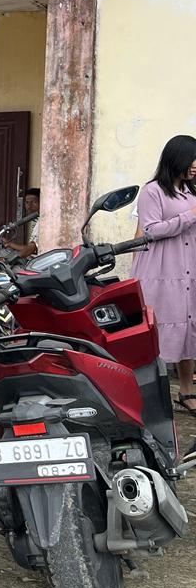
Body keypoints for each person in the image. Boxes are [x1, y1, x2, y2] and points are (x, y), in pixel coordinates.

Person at [130, 134, 196, 415]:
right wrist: (190, 215)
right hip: (161, 270)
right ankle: (143, 394)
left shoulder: (192, 192)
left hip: (188, 270)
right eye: (192, 160)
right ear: (176, 158)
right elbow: (150, 230)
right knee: (157, 329)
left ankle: (187, 391)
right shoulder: (153, 191)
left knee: (188, 326)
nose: (195, 166)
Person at [3, 187, 40, 259]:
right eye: (27, 202)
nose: (29, 206)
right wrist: (9, 244)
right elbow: (30, 247)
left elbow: (31, 249)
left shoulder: (42, 223)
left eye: (34, 202)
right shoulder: (37, 220)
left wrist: (9, 260)